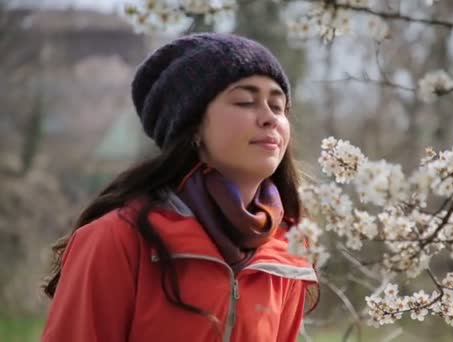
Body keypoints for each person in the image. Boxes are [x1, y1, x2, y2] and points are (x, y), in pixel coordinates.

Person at [41, 32, 319, 342]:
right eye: (245, 101)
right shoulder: (117, 239)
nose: (270, 118)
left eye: (278, 106)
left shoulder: (287, 251)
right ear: (192, 127)